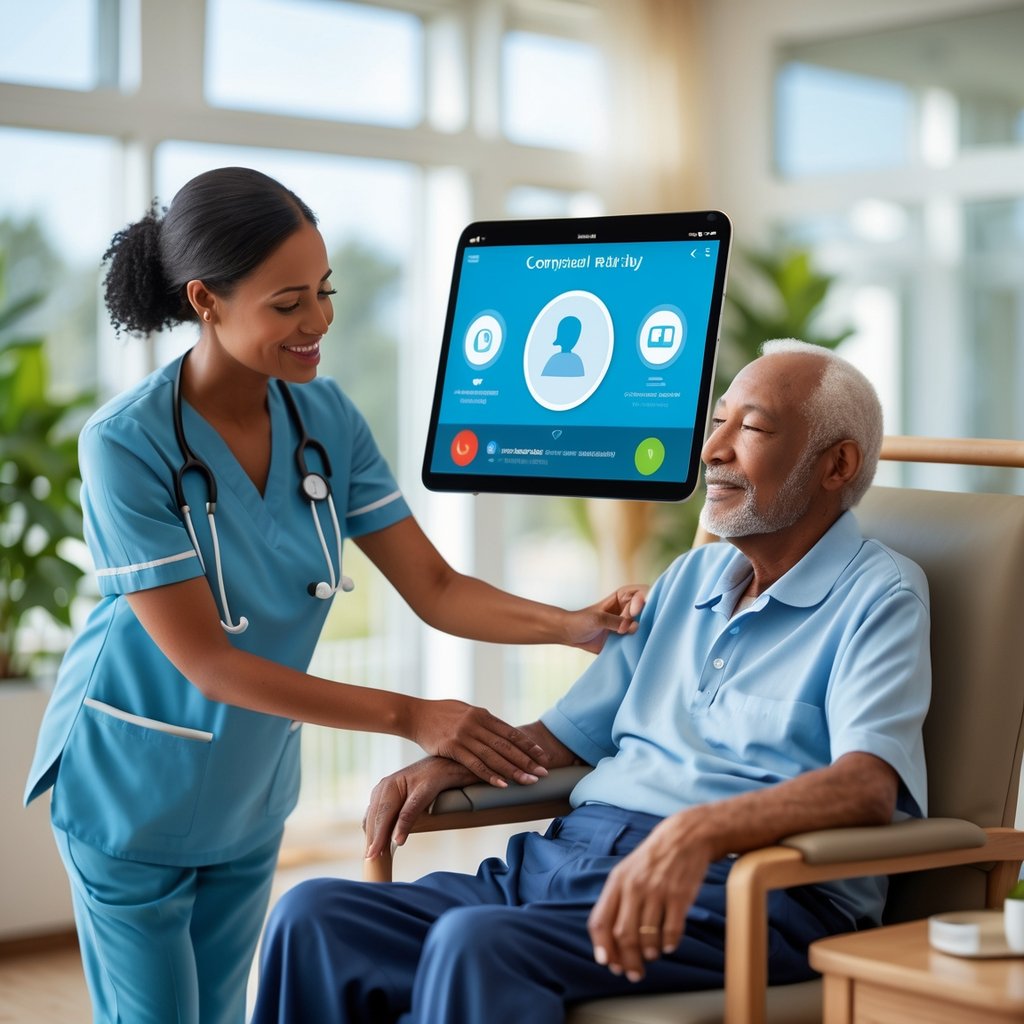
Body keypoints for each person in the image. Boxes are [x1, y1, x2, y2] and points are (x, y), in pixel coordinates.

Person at [22, 167, 646, 1024]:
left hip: (246, 786)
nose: (317, 322)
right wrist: (409, 714)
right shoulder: (125, 444)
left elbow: (433, 585)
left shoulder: (326, 418)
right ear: (206, 300)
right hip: (130, 785)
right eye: (286, 304)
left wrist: (571, 625)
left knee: (222, 1013)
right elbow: (207, 660)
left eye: (325, 292)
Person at [252, 340, 932, 1024]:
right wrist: (452, 760)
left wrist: (697, 832)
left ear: (835, 464)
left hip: (736, 892)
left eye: (750, 428)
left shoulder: (879, 595)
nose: (712, 450)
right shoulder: (688, 580)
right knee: (313, 916)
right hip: (569, 861)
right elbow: (563, 738)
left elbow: (868, 786)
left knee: (478, 945)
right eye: (717, 423)